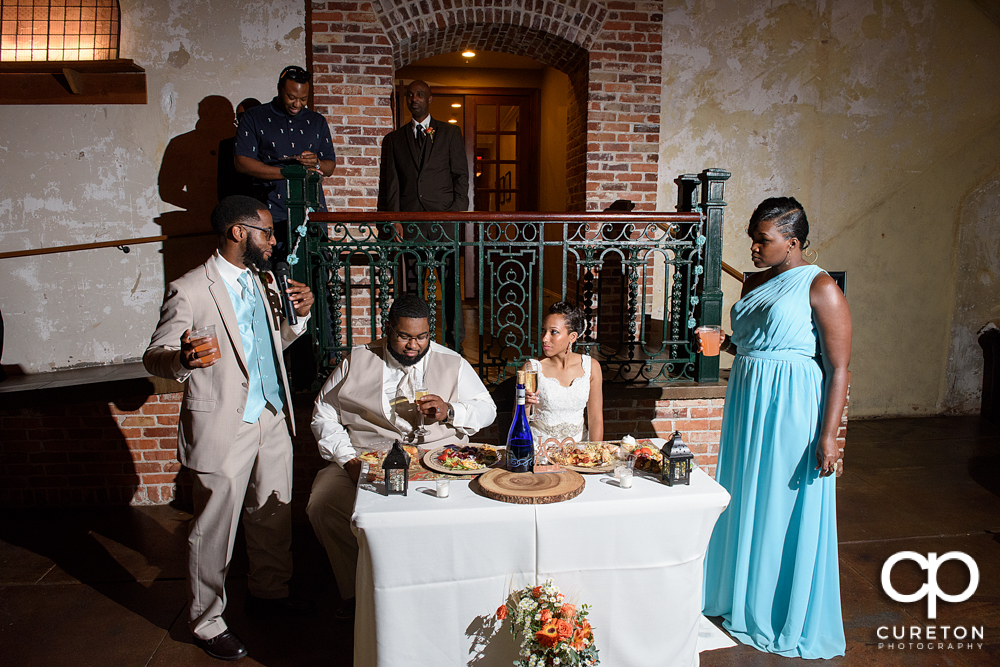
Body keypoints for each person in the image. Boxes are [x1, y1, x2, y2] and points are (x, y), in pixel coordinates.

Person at [143, 195, 315, 661]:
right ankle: (206, 622)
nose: (274, 240)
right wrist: (181, 358)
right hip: (223, 423)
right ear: (239, 232)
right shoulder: (190, 288)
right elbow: (154, 356)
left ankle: (270, 593)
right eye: (267, 231)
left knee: (272, 512)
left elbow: (269, 342)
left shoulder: (261, 280)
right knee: (214, 527)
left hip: (272, 415)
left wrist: (299, 314)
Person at [701, 197, 852, 659]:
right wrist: (722, 344)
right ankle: (739, 596)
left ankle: (775, 606)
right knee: (747, 496)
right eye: (752, 238)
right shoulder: (756, 283)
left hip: (792, 408)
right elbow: (753, 348)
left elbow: (839, 367)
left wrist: (828, 436)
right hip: (748, 400)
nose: (753, 247)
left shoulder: (820, 285)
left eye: (763, 240)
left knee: (782, 503)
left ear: (793, 242)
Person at [307, 295, 496, 617]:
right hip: (366, 456)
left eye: (422, 337)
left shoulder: (451, 361)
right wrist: (349, 460)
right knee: (322, 505)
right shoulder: (358, 359)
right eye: (404, 336)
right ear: (388, 329)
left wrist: (451, 410)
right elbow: (323, 413)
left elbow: (486, 409)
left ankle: (441, 594)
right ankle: (359, 596)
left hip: (436, 457)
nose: (413, 346)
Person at [377, 80, 470, 349]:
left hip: (444, 224)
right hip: (411, 225)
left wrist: (454, 215)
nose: (413, 99)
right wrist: (394, 219)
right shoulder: (393, 140)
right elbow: (390, 184)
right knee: (413, 288)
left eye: (419, 95)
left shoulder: (450, 133)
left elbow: (460, 177)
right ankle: (416, 343)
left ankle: (456, 345)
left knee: (451, 287)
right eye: (409, 95)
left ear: (430, 99)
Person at [234, 65, 336, 260]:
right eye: (291, 97)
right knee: (270, 271)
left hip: (312, 211)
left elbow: (330, 166)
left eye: (303, 99)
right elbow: (242, 162)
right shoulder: (254, 117)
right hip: (268, 210)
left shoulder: (317, 121)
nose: (297, 104)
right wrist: (287, 173)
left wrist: (316, 163)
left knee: (315, 270)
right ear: (279, 89)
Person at [524, 302, 604, 443]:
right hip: (540, 450)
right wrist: (524, 405)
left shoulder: (591, 367)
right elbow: (518, 422)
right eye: (544, 331)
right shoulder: (532, 369)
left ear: (572, 337)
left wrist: (593, 455)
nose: (544, 338)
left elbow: (595, 419)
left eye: (553, 332)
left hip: (579, 451)